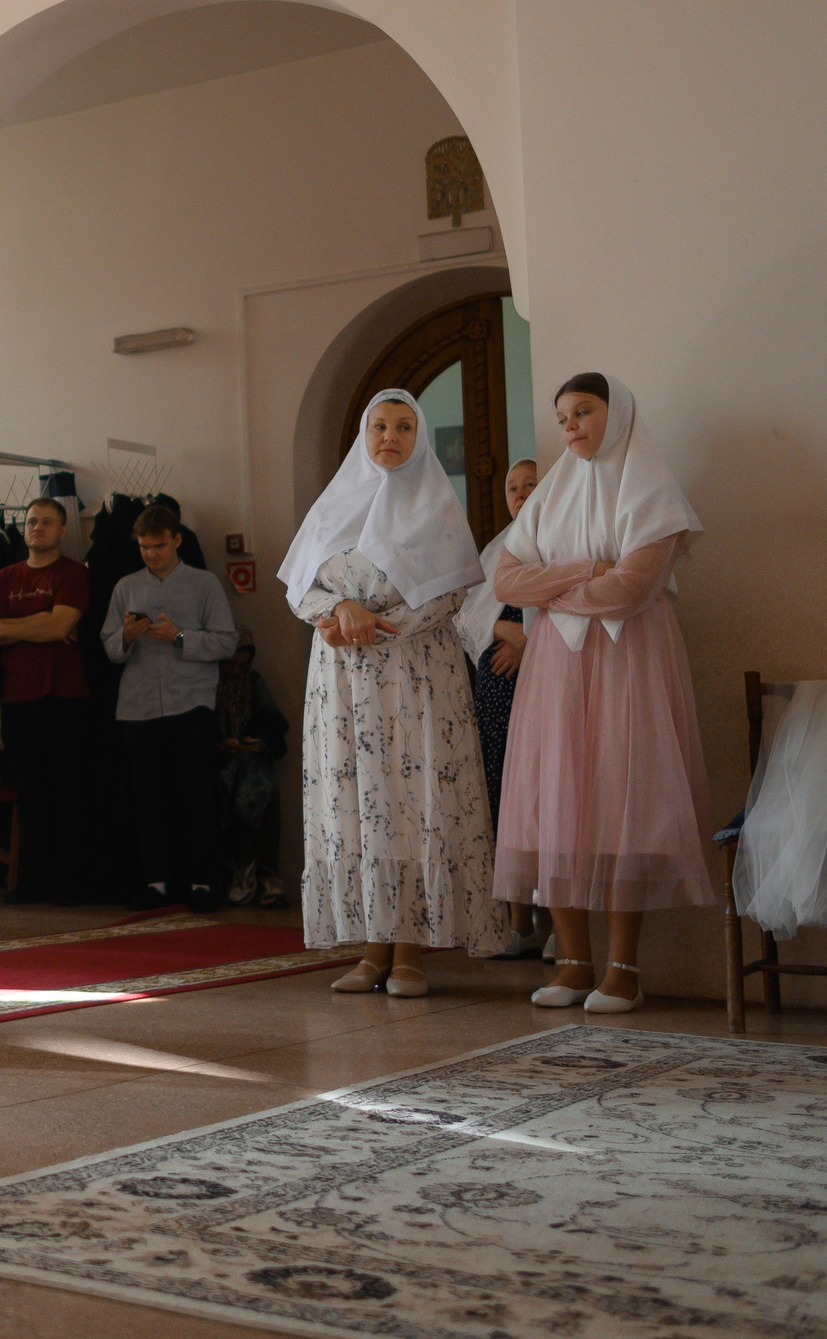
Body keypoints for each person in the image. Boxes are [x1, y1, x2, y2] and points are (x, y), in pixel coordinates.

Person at [493, 373, 712, 1013]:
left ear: (616, 415)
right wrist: (587, 569)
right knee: (557, 804)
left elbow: (632, 589)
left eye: (583, 412)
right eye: (563, 417)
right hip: (558, 666)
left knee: (623, 802)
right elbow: (507, 578)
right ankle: (572, 962)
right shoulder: (551, 492)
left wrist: (553, 589)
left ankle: (623, 969)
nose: (570, 427)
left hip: (627, 660)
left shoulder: (650, 486)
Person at [283, 389, 510, 996]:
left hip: (414, 677)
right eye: (380, 426)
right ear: (364, 436)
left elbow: (449, 594)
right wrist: (339, 611)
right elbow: (300, 587)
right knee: (358, 803)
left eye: (404, 427)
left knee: (410, 801)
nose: (390, 437)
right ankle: (372, 949)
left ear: (419, 437)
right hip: (342, 683)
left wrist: (371, 625)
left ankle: (409, 951)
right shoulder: (331, 509)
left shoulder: (436, 507)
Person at [102, 501, 239, 912]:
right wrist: (127, 635)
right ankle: (155, 883)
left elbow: (227, 642)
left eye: (158, 546)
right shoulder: (125, 586)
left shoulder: (204, 583)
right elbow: (110, 649)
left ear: (176, 540)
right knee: (148, 799)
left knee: (196, 796)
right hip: (138, 707)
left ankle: (202, 884)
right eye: (144, 547)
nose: (151, 554)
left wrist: (180, 637)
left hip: (190, 702)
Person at [0, 497, 91, 905]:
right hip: (17, 697)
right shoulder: (5, 577)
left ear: (63, 530)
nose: (37, 528)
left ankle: (71, 883)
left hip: (65, 696)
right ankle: (32, 881)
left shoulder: (73, 573)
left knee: (68, 790)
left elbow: (60, 625)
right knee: (30, 794)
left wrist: (19, 628)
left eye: (46, 522)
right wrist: (41, 624)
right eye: (31, 521)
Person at [456, 456, 544, 954]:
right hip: (496, 692)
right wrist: (505, 630)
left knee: (546, 798)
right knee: (503, 796)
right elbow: (465, 615)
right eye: (513, 487)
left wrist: (529, 642)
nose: (521, 494)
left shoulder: (561, 540)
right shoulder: (497, 549)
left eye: (531, 484)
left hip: (546, 684)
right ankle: (518, 922)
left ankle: (559, 925)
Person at [214, 630, 290, 908]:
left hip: (252, 765)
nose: (235, 672)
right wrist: (220, 746)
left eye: (242, 666)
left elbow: (277, 735)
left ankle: (262, 873)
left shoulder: (254, 684)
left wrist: (259, 745)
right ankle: (238, 868)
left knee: (262, 789)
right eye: (229, 664)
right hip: (218, 766)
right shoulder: (208, 683)